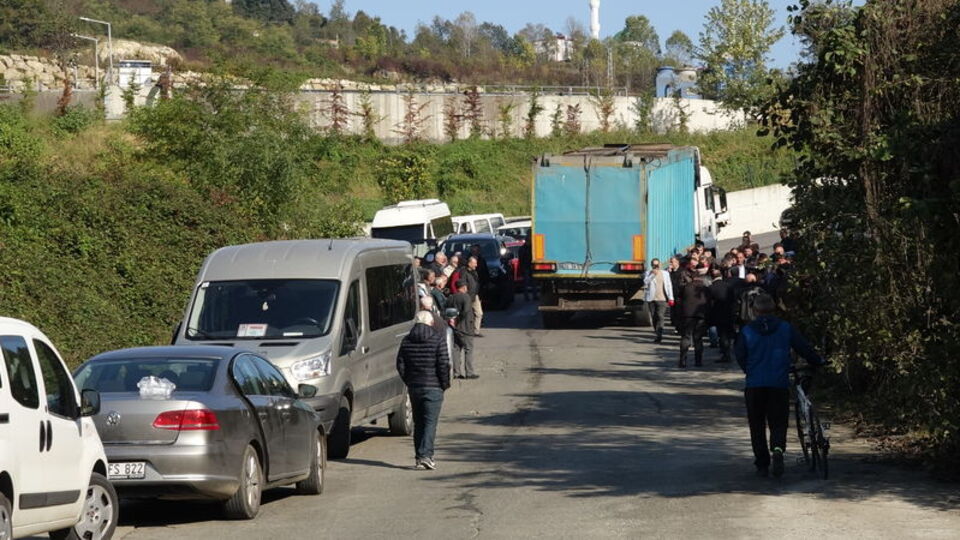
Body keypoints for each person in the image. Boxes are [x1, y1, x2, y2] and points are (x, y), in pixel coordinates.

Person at [735, 293, 826, 478]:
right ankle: (777, 449)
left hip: (755, 384)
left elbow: (740, 354)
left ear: (755, 310)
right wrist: (817, 361)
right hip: (778, 382)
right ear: (774, 309)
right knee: (778, 421)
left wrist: (749, 370)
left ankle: (762, 464)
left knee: (757, 424)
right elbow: (803, 348)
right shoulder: (785, 328)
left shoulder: (747, 331)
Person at [396, 311, 451, 470]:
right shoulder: (437, 339)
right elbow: (443, 364)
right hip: (433, 387)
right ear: (431, 323)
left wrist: (409, 380)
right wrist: (444, 384)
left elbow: (400, 364)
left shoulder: (406, 341)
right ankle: (426, 456)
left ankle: (420, 457)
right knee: (430, 423)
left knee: (418, 422)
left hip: (414, 387)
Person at [708, 266, 744, 363]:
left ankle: (726, 354)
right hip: (729, 312)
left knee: (723, 334)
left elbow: (709, 303)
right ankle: (730, 350)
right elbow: (733, 299)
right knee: (728, 333)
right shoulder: (728, 286)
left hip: (718, 314)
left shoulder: (711, 288)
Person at [678, 268, 710, 368]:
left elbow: (679, 299)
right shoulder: (706, 288)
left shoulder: (686, 287)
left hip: (687, 315)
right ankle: (698, 361)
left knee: (686, 337)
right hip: (701, 315)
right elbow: (709, 302)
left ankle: (682, 360)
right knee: (698, 338)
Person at [448, 282, 477, 379]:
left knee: (456, 349)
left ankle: (456, 373)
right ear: (464, 287)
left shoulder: (452, 297)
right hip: (466, 327)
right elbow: (466, 310)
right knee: (468, 349)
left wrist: (454, 319)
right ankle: (469, 372)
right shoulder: (466, 297)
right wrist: (460, 317)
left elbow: (447, 310)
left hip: (455, 327)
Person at [643, 258, 674, 343]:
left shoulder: (665, 273)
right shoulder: (648, 273)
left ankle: (659, 335)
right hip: (652, 298)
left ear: (660, 264)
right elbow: (645, 282)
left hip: (662, 298)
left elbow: (669, 285)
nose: (656, 266)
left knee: (660, 315)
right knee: (654, 317)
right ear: (651, 265)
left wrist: (671, 298)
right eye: (654, 265)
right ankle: (657, 332)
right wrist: (652, 275)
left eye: (657, 265)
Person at [462, 256, 484, 337]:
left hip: (475, 295)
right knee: (467, 314)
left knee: (479, 313)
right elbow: (462, 283)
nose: (476, 265)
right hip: (468, 296)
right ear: (469, 263)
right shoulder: (464, 272)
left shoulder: (475, 272)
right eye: (474, 263)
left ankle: (476, 331)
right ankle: (466, 330)